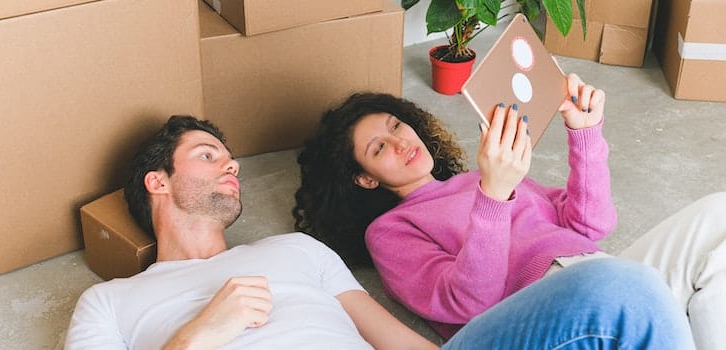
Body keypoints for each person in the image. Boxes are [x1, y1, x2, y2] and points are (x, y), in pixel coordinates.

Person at [64, 115, 695, 349]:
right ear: (157, 182)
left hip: (563, 283)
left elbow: (404, 342)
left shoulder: (296, 251)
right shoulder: (109, 303)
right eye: (207, 155)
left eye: (229, 156)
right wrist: (198, 336)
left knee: (621, 289)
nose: (231, 163)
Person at [293, 74, 726, 349]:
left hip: (600, 274)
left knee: (719, 213)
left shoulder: (476, 179)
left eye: (396, 126)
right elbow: (466, 302)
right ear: (365, 178)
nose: (402, 142)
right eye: (379, 148)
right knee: (629, 282)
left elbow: (590, 225)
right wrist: (495, 196)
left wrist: (585, 133)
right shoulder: (390, 230)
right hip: (540, 312)